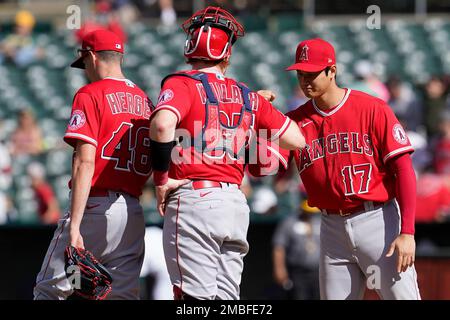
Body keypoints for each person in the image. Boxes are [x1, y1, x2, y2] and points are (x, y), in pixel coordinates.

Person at [149, 6, 305, 300]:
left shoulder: (182, 83)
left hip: (195, 199)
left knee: (193, 301)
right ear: (227, 54)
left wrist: (160, 180)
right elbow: (297, 140)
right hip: (234, 203)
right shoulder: (248, 96)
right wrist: (256, 117)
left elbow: (161, 125)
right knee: (226, 300)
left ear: (190, 48)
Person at [279, 38, 420, 300]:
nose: (305, 80)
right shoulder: (295, 121)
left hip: (377, 220)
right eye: (301, 74)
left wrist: (407, 232)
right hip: (330, 226)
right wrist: (258, 118)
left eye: (312, 73)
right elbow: (266, 168)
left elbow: (403, 169)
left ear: (332, 71)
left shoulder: (371, 108)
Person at [34, 29, 153, 300]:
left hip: (93, 209)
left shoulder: (90, 94)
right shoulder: (147, 102)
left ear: (91, 56)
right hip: (132, 212)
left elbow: (84, 161)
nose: (85, 70)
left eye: (85, 63)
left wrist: (75, 226)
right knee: (121, 296)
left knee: (50, 290)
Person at [272, 199, 320, 300]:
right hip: (297, 271)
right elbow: (279, 247)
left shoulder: (320, 221)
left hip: (318, 270)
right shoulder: (289, 222)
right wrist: (279, 269)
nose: (310, 215)